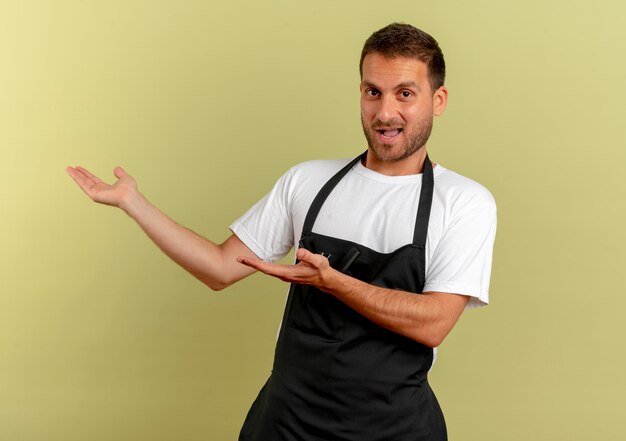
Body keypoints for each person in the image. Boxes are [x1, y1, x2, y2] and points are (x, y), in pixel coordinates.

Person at [67, 23, 496, 441]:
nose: (385, 112)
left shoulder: (463, 202)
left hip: (395, 427)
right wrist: (133, 203)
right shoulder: (307, 182)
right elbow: (219, 268)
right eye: (372, 92)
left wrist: (334, 283)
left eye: (405, 93)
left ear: (437, 100)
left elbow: (433, 323)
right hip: (286, 421)